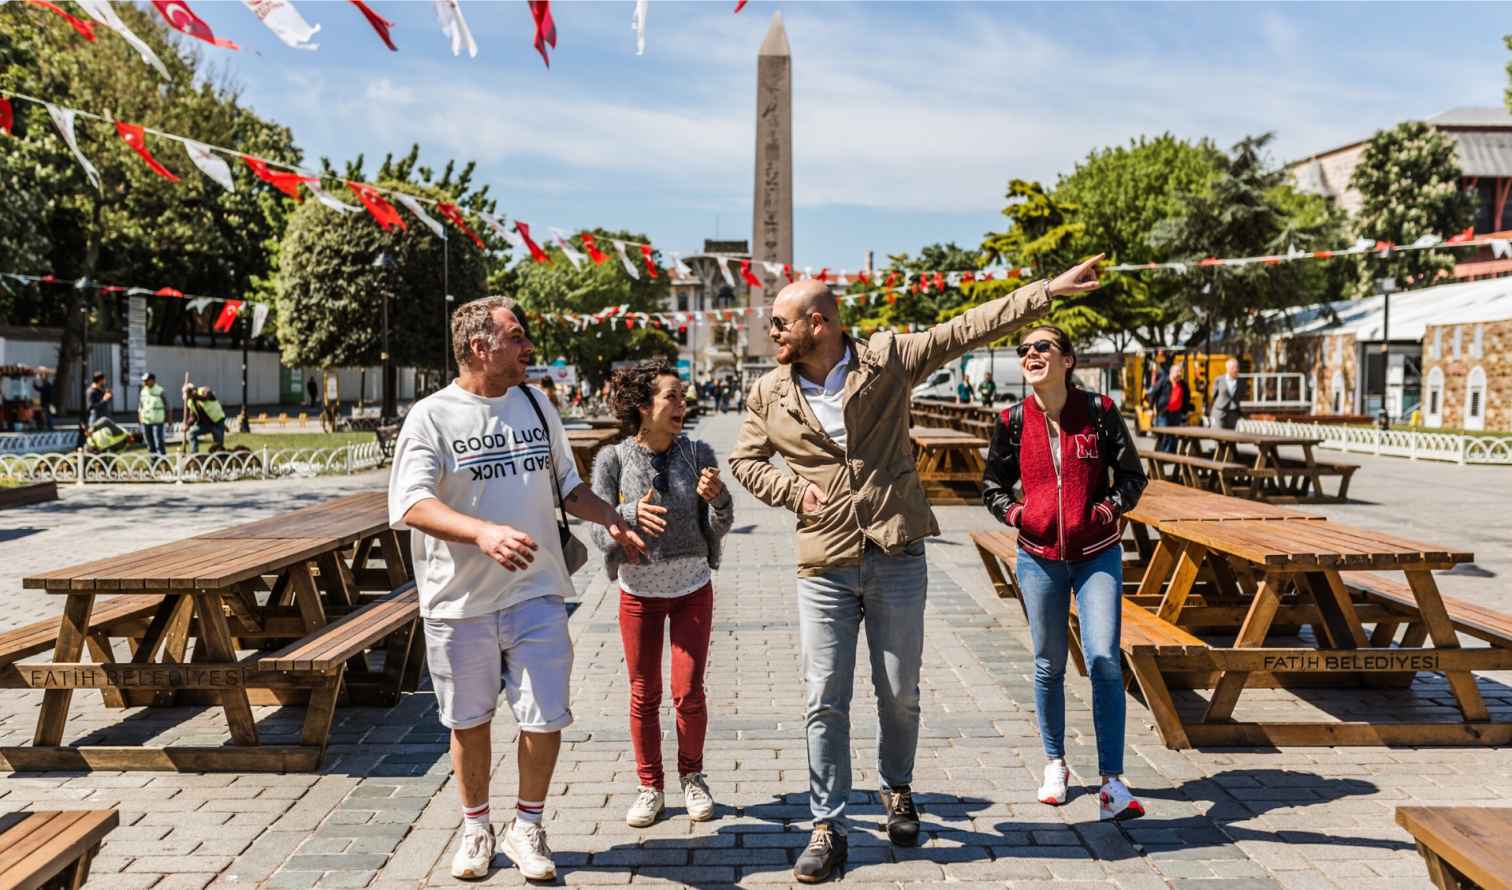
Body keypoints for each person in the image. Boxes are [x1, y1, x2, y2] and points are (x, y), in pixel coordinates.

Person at [729, 256, 1103, 883]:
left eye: (780, 323)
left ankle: (897, 789)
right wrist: (795, 494)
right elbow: (745, 460)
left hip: (897, 551)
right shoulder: (769, 391)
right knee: (825, 696)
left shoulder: (888, 359)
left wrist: (1045, 293)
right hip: (823, 560)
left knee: (898, 692)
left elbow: (967, 328)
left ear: (817, 323)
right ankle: (828, 825)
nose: (772, 333)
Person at [388, 295, 647, 882]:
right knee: (469, 721)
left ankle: (528, 825)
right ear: (481, 347)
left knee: (544, 715)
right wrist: (481, 533)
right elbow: (410, 503)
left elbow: (568, 488)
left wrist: (612, 518)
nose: (529, 347)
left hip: (537, 592)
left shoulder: (536, 404)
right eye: (517, 336)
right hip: (458, 601)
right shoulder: (432, 415)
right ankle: (476, 826)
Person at [981, 324, 1148, 822]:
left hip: (1097, 552)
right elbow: (992, 484)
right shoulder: (1012, 420)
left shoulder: (1098, 413)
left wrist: (1107, 509)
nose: (1031, 354)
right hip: (1037, 556)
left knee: (1103, 660)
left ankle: (1112, 782)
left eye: (1042, 347)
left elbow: (1133, 476)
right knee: (1048, 663)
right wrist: (1017, 515)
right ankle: (1056, 764)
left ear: (1067, 360)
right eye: (1025, 349)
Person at [590, 359, 734, 829]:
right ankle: (649, 786)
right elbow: (597, 535)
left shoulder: (699, 452)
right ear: (642, 406)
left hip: (692, 587)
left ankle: (693, 776)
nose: (682, 405)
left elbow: (721, 525)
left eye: (682, 397)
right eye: (671, 396)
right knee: (643, 694)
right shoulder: (612, 460)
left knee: (688, 691)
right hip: (639, 594)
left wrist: (718, 500)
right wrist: (628, 513)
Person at [1147, 363, 1190, 454]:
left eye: (1180, 372)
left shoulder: (1182, 384)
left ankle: (1171, 454)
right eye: (1177, 371)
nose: (1179, 374)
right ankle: (1163, 453)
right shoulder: (1163, 381)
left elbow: (1187, 397)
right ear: (1171, 372)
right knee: (1164, 433)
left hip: (1177, 413)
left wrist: (1186, 411)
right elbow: (1153, 393)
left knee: (1174, 434)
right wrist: (1150, 408)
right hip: (1164, 412)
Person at [181, 385, 227, 452]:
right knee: (191, 433)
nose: (189, 398)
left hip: (217, 422)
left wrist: (195, 396)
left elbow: (206, 397)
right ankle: (195, 454)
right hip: (205, 425)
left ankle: (220, 459)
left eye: (189, 396)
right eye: (188, 397)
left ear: (193, 391)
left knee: (218, 446)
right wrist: (187, 424)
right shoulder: (190, 402)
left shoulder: (204, 390)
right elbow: (193, 416)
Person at [1207, 358, 1243, 430]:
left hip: (1233, 413)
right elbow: (1213, 395)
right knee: (1219, 435)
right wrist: (1209, 411)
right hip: (1220, 412)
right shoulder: (1219, 380)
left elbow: (1241, 396)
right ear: (1228, 369)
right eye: (1233, 368)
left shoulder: (1240, 381)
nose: (1236, 370)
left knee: (1231, 437)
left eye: (1237, 367)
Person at [138, 372, 168, 456]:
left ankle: (162, 460)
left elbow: (167, 405)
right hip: (146, 421)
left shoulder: (160, 390)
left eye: (147, 380)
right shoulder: (143, 391)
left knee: (159, 441)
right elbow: (140, 406)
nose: (145, 382)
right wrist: (140, 417)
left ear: (153, 381)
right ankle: (153, 461)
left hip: (158, 420)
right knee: (149, 442)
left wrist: (169, 418)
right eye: (144, 381)